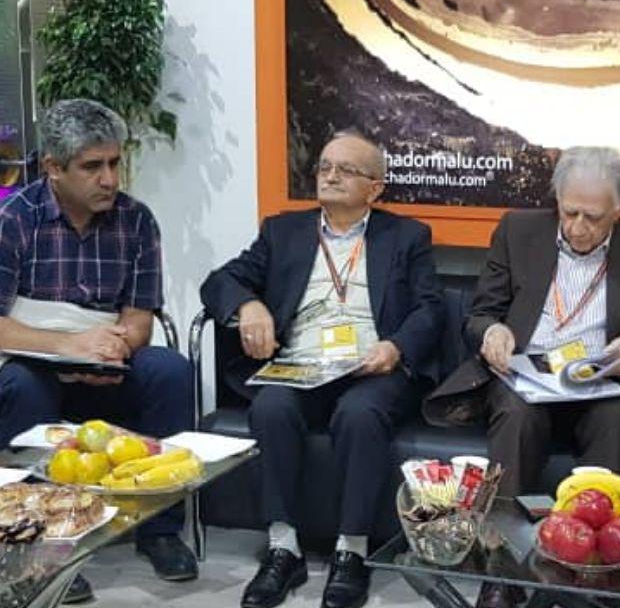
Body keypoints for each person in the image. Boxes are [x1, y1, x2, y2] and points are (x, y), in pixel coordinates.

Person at [201, 129, 444, 608]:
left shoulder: (406, 236)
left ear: (374, 188)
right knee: (270, 407)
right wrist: (249, 305)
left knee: (359, 414)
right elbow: (220, 281)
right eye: (325, 167)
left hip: (372, 367)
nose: (330, 176)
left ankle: (351, 551)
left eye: (345, 170)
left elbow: (430, 307)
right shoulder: (283, 232)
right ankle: (282, 547)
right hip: (301, 365)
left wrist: (396, 347)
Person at [426, 146, 620, 608]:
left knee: (618, 419)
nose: (579, 227)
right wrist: (493, 332)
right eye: (570, 212)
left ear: (618, 208)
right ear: (557, 200)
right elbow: (481, 313)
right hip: (526, 376)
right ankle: (502, 573)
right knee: (517, 416)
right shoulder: (518, 231)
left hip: (597, 381)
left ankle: (602, 582)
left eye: (593, 218)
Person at [0, 99, 197, 601]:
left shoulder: (137, 220)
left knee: (170, 370)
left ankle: (160, 530)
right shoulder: (13, 221)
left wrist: (111, 350)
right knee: (22, 385)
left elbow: (139, 321)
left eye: (114, 163)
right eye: (92, 167)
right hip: (34, 363)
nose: (109, 179)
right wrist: (69, 347)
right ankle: (44, 545)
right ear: (53, 168)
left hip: (106, 360)